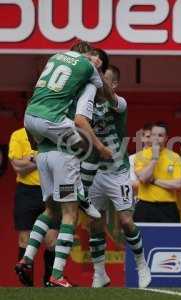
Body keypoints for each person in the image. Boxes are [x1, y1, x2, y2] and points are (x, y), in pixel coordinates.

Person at [15, 41, 112, 287]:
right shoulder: (89, 82)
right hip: (60, 148)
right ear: (87, 57)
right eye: (94, 58)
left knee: (50, 210)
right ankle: (57, 275)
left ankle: (26, 259)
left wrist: (35, 147)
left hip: (41, 146)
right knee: (70, 211)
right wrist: (101, 147)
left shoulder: (54, 64)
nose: (95, 62)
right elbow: (82, 117)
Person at [82, 65, 151, 288]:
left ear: (113, 85)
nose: (98, 83)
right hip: (93, 172)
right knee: (95, 223)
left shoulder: (118, 103)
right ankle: (100, 273)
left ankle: (142, 265)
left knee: (125, 221)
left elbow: (109, 96)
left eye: (103, 80)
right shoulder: (85, 103)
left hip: (117, 171)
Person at [9, 128, 58, 287]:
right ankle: (27, 286)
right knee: (25, 239)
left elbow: (58, 164)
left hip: (50, 191)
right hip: (27, 192)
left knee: (52, 241)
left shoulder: (53, 134)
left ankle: (49, 281)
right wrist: (41, 158)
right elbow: (17, 167)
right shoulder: (18, 135)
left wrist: (30, 159)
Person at [134, 122, 181, 223]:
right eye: (153, 135)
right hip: (145, 206)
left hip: (168, 207)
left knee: (170, 238)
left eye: (160, 135)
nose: (156, 138)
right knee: (143, 238)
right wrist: (154, 158)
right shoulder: (140, 156)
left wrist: (154, 181)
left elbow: (178, 184)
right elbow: (143, 178)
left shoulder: (175, 157)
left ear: (166, 138)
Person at [129, 124, 153, 195]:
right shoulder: (132, 158)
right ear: (142, 138)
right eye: (148, 136)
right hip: (140, 201)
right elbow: (132, 184)